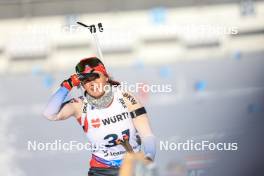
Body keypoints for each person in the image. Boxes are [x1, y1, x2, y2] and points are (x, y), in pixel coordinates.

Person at [43, 57, 156, 176]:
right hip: (101, 170)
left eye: (95, 77)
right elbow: (49, 114)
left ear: (106, 77)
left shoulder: (125, 97)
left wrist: (148, 158)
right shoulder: (80, 105)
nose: (92, 84)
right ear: (82, 85)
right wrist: (68, 84)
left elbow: (147, 134)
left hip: (131, 166)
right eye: (86, 80)